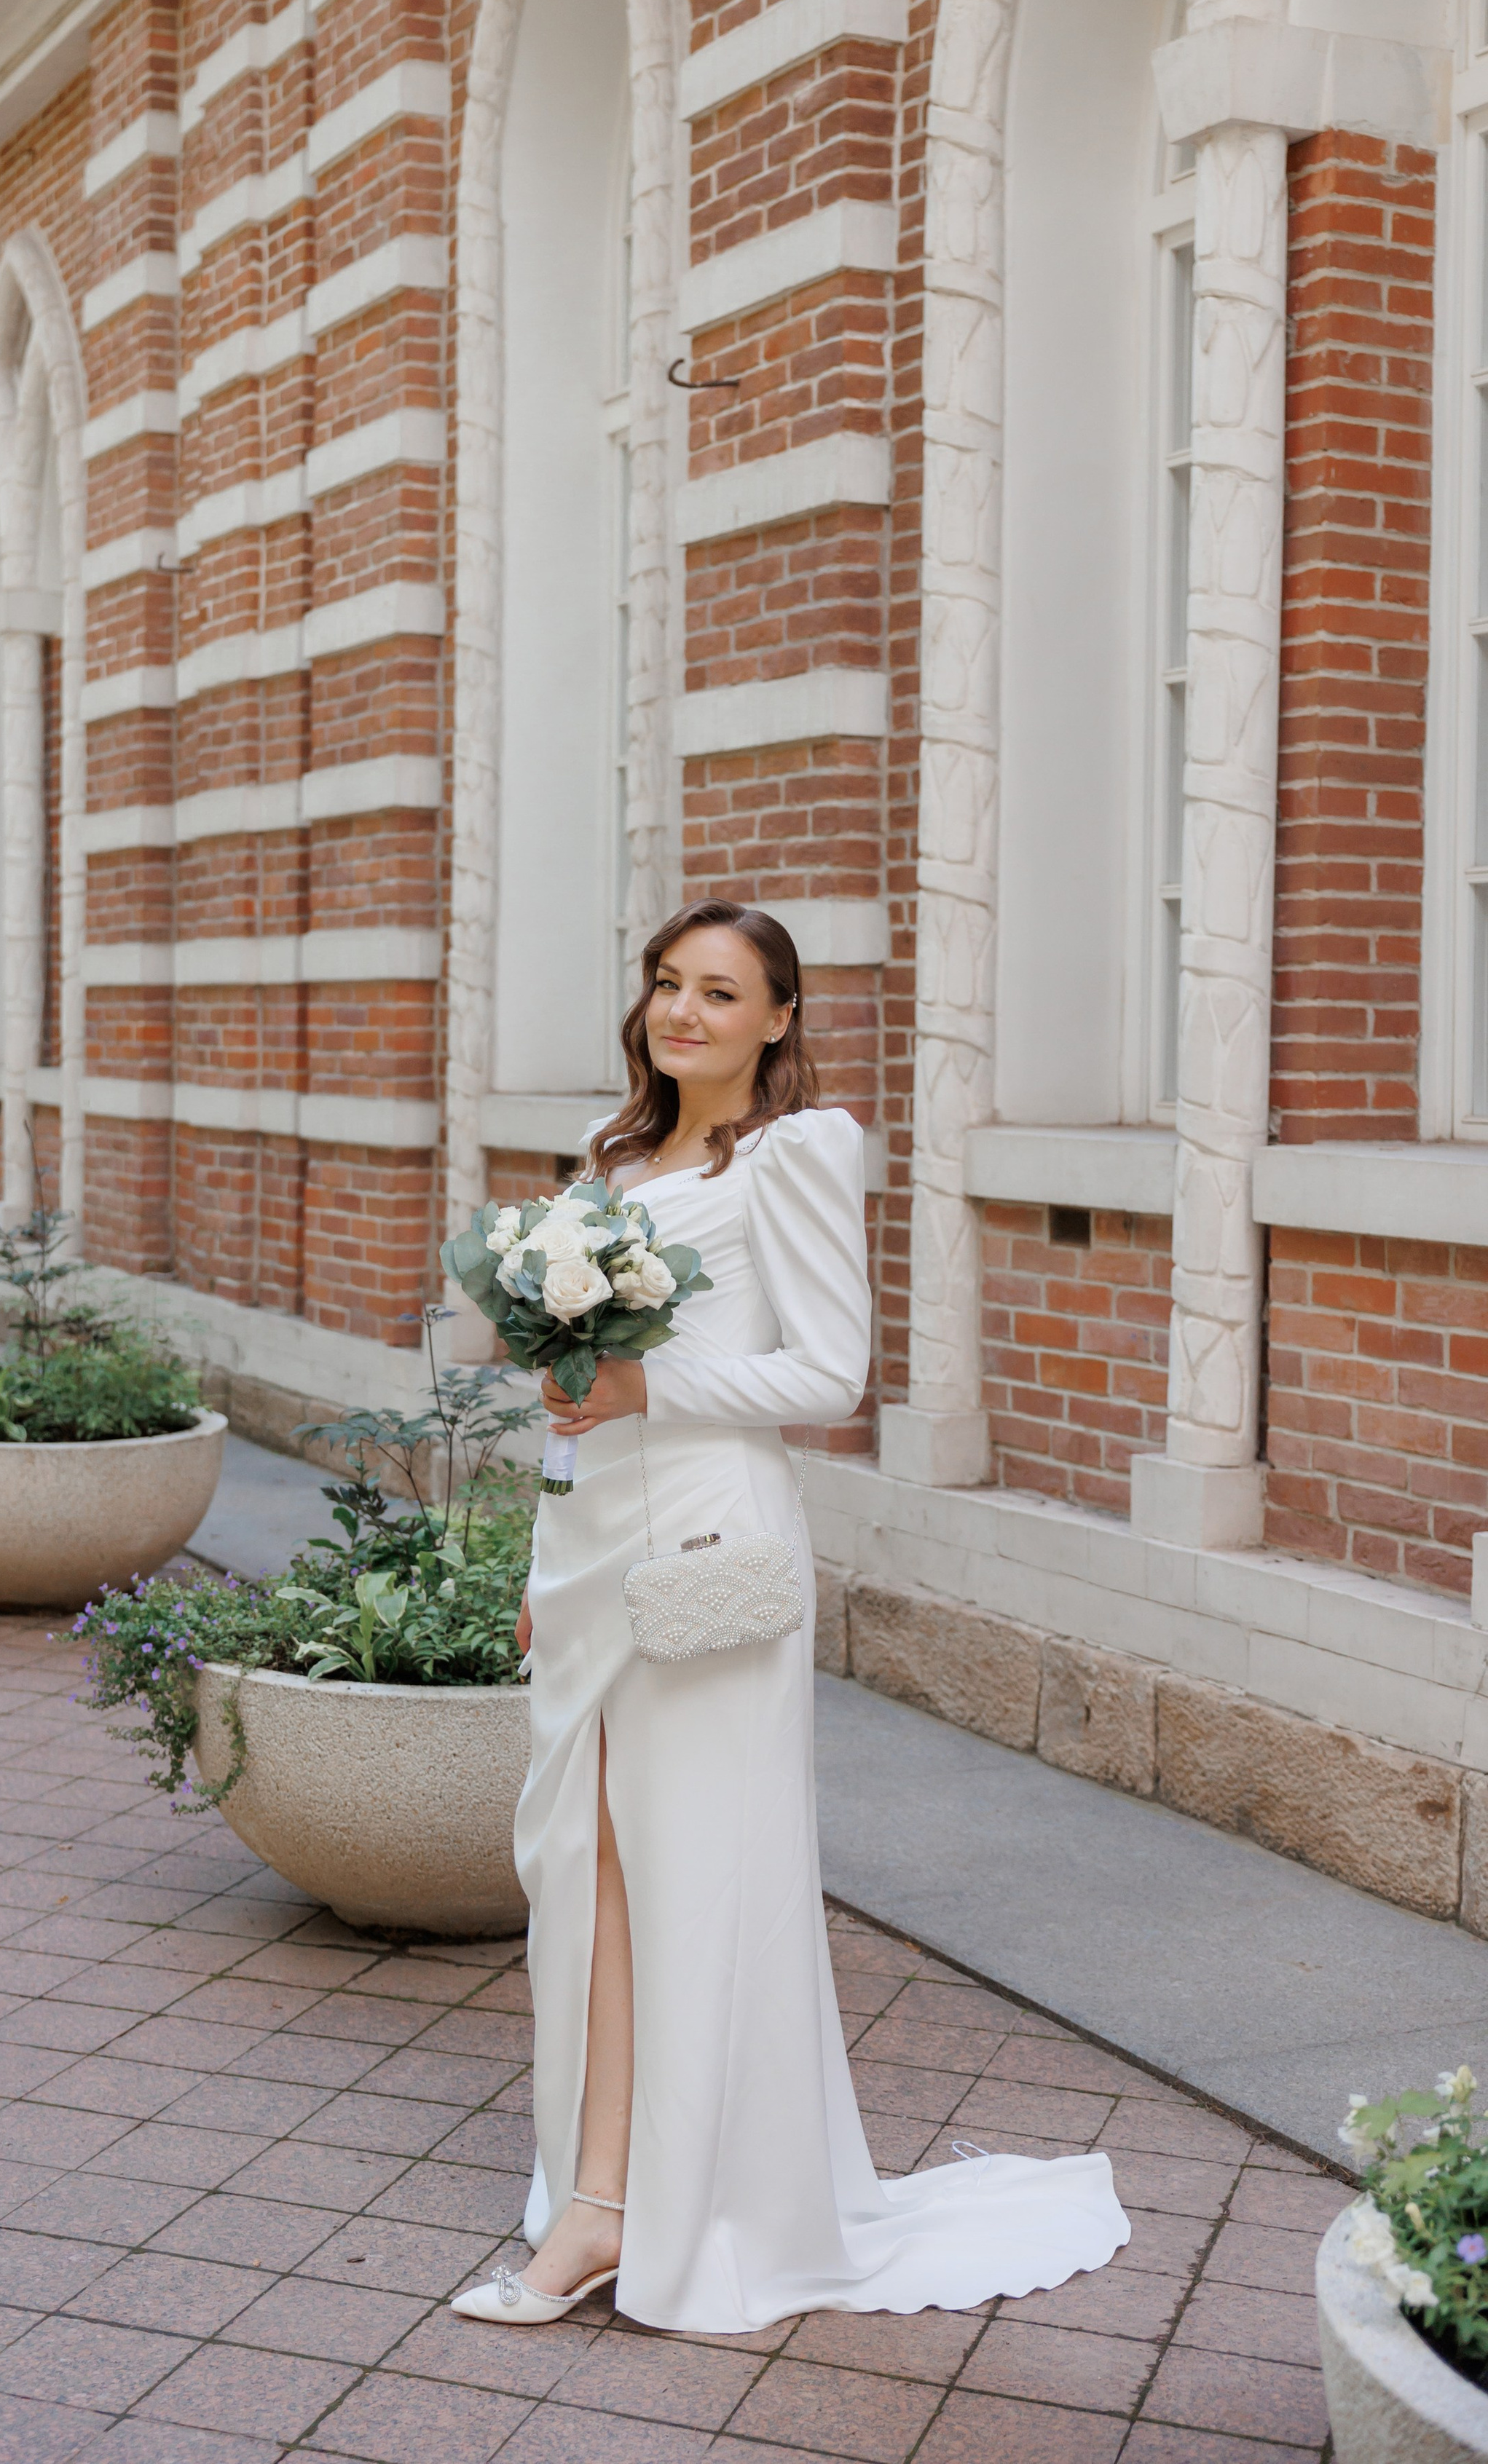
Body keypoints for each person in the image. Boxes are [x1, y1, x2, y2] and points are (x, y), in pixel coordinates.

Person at [452, 899, 1130, 2334]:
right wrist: (539, 1552)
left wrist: (654, 1387)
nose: (679, 1011)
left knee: (691, 1876)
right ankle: (606, 2186)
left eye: (716, 990)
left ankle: (629, 2212)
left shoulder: (792, 1153)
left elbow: (828, 1372)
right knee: (589, 1872)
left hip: (706, 1540)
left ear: (775, 1016)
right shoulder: (613, 1157)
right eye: (663, 984)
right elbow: (580, 1394)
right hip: (587, 1546)